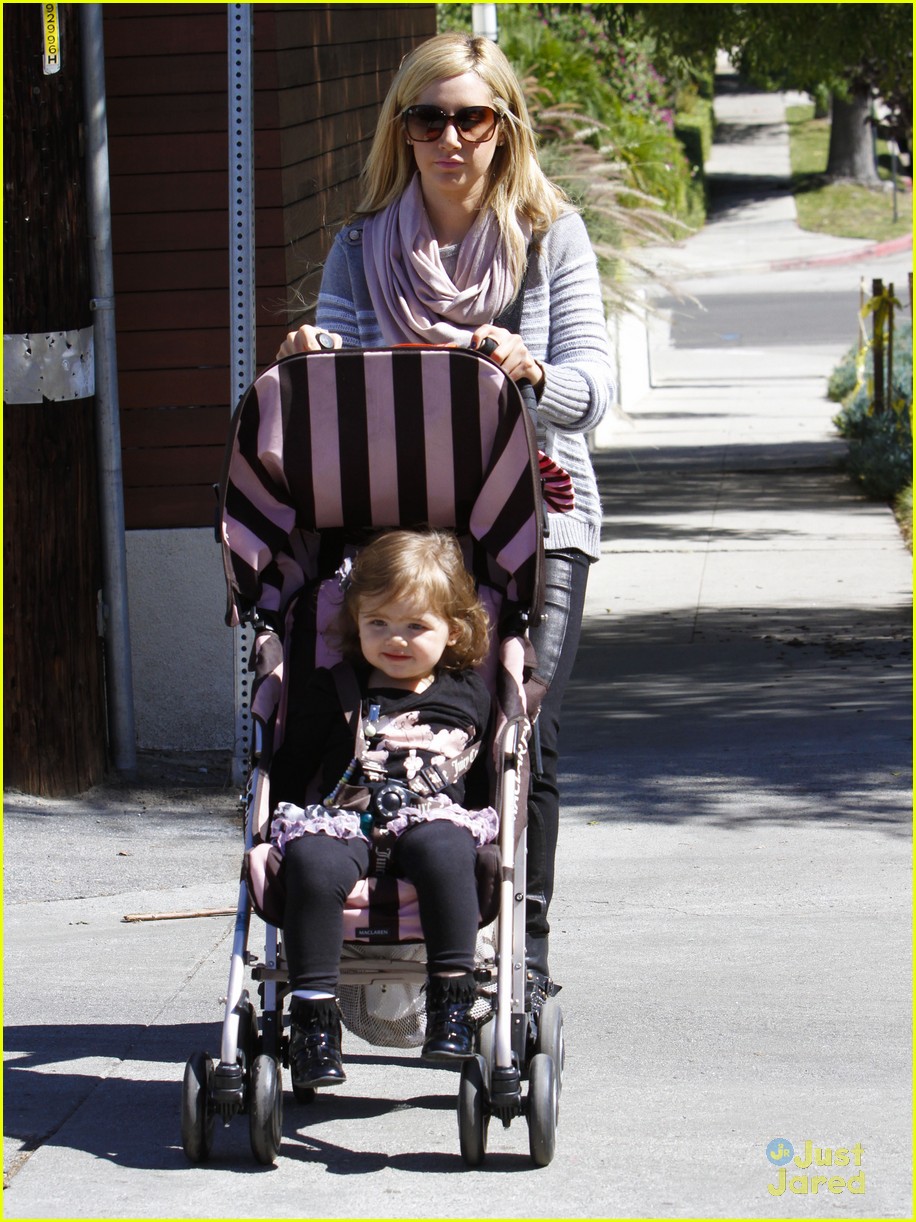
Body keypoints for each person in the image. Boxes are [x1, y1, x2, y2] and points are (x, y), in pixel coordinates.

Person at [277, 32, 614, 1011]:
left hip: (537, 518)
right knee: (378, 717)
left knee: (523, 738)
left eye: (472, 117)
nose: (450, 137)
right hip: (407, 534)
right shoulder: (363, 240)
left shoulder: (550, 236)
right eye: (429, 118)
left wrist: (531, 369)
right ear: (404, 129)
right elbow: (332, 375)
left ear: (503, 127)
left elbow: (594, 394)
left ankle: (523, 955)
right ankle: (393, 933)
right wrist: (314, 350)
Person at [269, 529, 496, 1089]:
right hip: (346, 818)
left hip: (431, 817)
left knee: (448, 849)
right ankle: (314, 1023)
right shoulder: (334, 687)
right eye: (379, 624)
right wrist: (274, 821)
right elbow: (294, 764)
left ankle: (450, 999)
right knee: (313, 863)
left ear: (454, 630)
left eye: (415, 626)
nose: (395, 640)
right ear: (356, 623)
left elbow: (491, 775)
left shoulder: (468, 694)